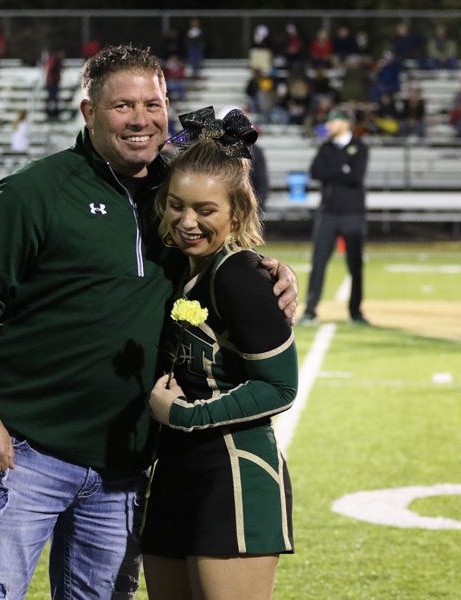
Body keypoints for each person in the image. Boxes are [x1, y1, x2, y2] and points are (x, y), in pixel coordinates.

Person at [0, 45, 297, 600]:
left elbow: (221, 242)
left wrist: (271, 270)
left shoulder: (177, 189)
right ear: (88, 112)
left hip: (127, 466)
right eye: (123, 106)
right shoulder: (31, 193)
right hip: (28, 453)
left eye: (153, 103)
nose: (141, 119)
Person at [142, 115, 297, 600]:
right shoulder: (181, 266)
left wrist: (186, 415)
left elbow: (280, 386)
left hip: (233, 474)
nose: (188, 222)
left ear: (236, 212)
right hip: (174, 469)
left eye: (205, 209)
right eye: (176, 206)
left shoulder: (241, 276)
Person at [302, 109, 369, 325]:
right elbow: (315, 172)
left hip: (352, 213)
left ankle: (355, 311)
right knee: (319, 261)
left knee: (355, 264)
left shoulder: (360, 147)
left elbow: (356, 176)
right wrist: (342, 168)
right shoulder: (326, 147)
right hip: (328, 213)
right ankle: (310, 309)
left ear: (344, 124)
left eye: (332, 122)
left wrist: (334, 170)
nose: (328, 127)